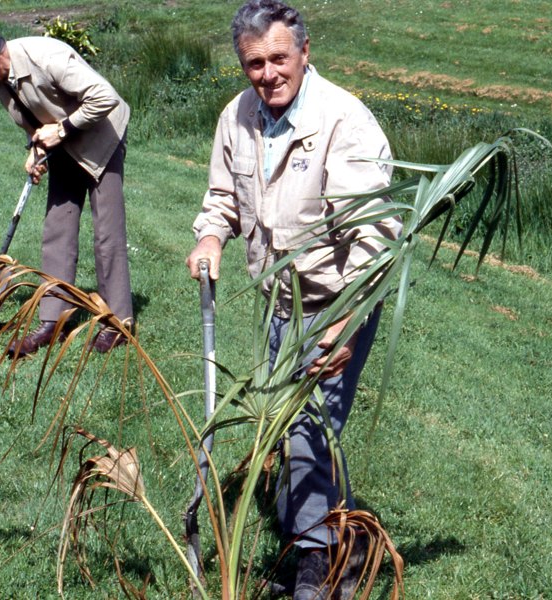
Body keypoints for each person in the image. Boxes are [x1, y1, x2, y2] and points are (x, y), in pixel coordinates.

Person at [185, 1, 401, 597]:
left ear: (305, 52)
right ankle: (346, 538)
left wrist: (347, 325)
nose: (268, 73)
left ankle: (317, 570)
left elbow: (375, 241)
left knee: (308, 431)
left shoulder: (344, 122)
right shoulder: (238, 116)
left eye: (280, 58)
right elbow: (223, 195)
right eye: (254, 63)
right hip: (280, 302)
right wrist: (210, 236)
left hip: (336, 303)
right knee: (300, 432)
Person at [0, 24, 135, 355]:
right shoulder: (0, 80)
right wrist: (35, 149)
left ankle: (117, 323)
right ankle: (53, 321)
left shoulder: (48, 57)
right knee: (57, 228)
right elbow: (33, 116)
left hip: (101, 137)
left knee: (106, 233)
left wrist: (61, 131)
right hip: (64, 142)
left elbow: (104, 97)